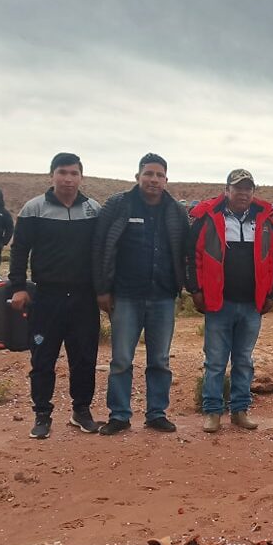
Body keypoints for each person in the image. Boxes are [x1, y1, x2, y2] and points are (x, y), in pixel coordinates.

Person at [92, 153, 190, 436]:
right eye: (149, 174)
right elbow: (100, 246)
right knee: (121, 358)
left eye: (159, 175)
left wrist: (185, 285)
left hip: (162, 296)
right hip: (125, 295)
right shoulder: (118, 204)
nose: (154, 180)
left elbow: (186, 250)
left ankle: (156, 413)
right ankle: (119, 415)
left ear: (166, 180)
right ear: (137, 177)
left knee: (159, 359)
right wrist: (102, 289)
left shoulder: (175, 210)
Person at [9, 153, 102, 440]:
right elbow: (19, 250)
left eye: (74, 173)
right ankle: (42, 415)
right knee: (43, 358)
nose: (68, 179)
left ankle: (81, 411)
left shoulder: (93, 209)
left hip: (84, 299)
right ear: (51, 175)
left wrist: (104, 290)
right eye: (62, 172)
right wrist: (18, 287)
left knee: (85, 358)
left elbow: (101, 253)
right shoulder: (33, 208)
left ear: (81, 177)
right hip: (46, 296)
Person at [187, 169, 273, 433]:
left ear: (254, 192)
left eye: (248, 188)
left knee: (244, 360)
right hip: (218, 302)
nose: (243, 193)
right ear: (226, 190)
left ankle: (240, 410)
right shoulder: (208, 218)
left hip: (252, 304)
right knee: (215, 361)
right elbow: (193, 256)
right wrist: (195, 290)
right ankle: (212, 411)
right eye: (238, 188)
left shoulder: (265, 222)